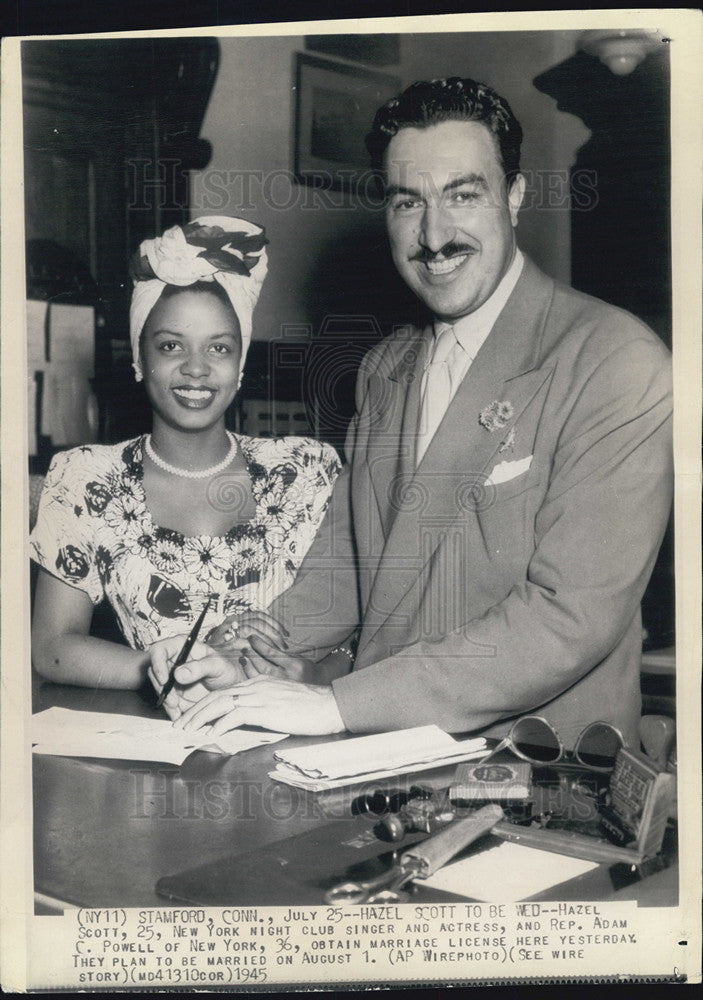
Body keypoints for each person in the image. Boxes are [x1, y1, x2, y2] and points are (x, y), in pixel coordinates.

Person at [154, 79, 673, 747]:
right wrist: (237, 652)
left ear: (513, 196)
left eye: (462, 194)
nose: (433, 235)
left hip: (538, 781)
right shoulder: (386, 366)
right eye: (408, 202)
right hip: (381, 762)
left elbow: (566, 617)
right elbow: (342, 568)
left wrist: (334, 706)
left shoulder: (614, 360)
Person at [30, 216, 341, 700]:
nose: (196, 369)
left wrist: (311, 676)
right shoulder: (85, 476)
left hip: (292, 742)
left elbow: (360, 635)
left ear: (239, 366)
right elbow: (51, 646)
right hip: (161, 747)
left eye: (219, 348)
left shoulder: (305, 470)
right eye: (171, 346)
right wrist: (159, 667)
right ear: (139, 358)